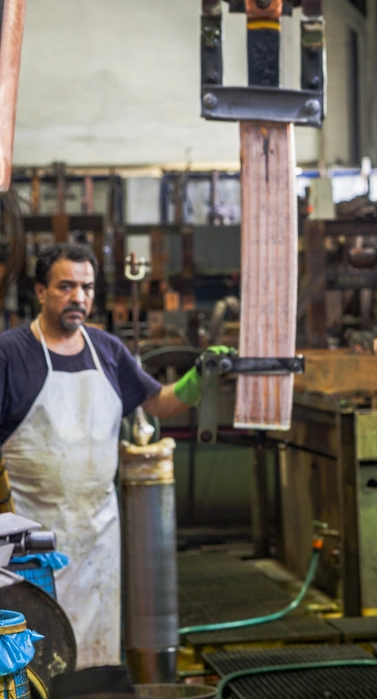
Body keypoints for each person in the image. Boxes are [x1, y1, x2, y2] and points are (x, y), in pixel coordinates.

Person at [0, 243, 216, 668]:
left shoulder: (108, 351)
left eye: (87, 287)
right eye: (65, 286)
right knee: (30, 656)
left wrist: (199, 379)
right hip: (27, 539)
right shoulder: (10, 354)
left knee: (95, 658)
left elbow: (157, 402)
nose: (78, 297)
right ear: (41, 291)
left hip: (98, 535)